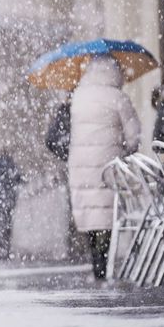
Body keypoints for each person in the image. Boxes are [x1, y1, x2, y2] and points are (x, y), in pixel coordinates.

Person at [67, 56, 140, 280]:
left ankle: (96, 262)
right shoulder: (117, 97)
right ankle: (104, 262)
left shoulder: (78, 96)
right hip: (108, 166)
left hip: (79, 165)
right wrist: (126, 148)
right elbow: (134, 136)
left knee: (91, 214)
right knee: (106, 216)